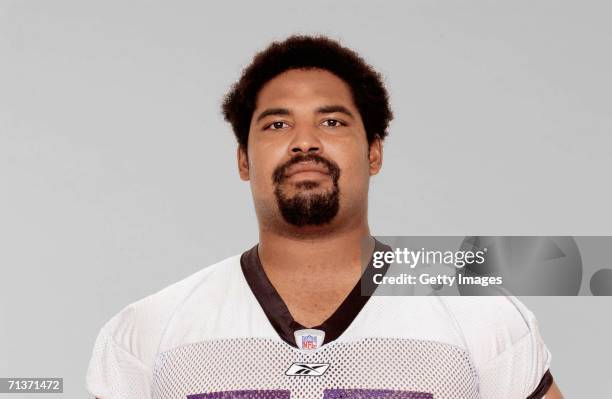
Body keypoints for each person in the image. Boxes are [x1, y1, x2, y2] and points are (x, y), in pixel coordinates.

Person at [86, 35, 563, 399]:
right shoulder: (150, 330)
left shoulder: (483, 317)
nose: (304, 142)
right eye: (277, 124)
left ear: (374, 152)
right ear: (243, 160)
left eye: (332, 122)